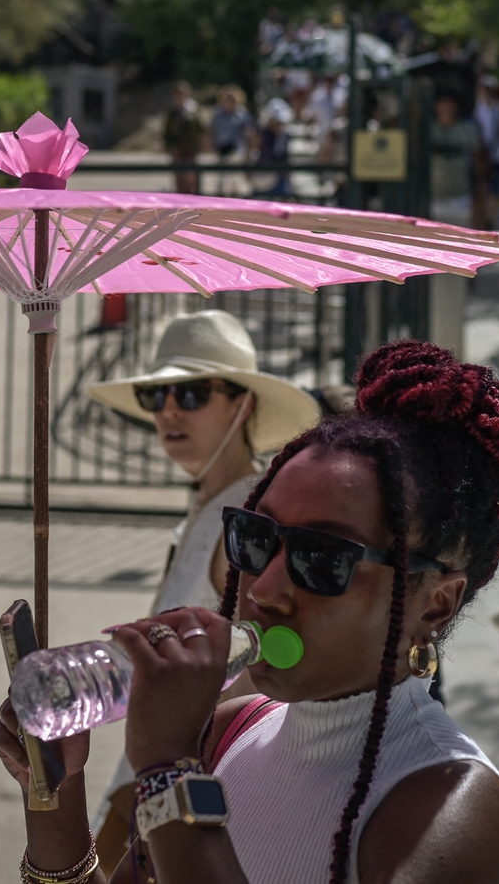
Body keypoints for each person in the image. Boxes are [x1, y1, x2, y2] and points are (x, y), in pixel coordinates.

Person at [0, 341, 499, 884]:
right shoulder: (229, 729)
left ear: (436, 603)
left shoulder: (453, 806)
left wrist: (168, 770)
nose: (267, 587)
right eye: (256, 539)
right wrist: (57, 798)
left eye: (322, 557)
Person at [83, 311, 323, 872]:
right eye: (157, 394)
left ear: (242, 403)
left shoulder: (246, 519)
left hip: (186, 773)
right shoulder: (215, 505)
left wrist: (159, 768)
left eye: (191, 393)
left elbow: (252, 663)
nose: (169, 410)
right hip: (159, 764)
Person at [428, 93, 482, 228]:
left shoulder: (466, 129)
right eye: (444, 103)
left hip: (461, 195)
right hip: (434, 196)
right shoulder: (429, 129)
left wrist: (480, 189)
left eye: (451, 104)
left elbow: (477, 160)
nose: (448, 108)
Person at [473, 77, 499, 228]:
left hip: (496, 154)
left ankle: (489, 219)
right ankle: (479, 220)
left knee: (495, 189)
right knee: (480, 188)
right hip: (479, 154)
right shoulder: (475, 108)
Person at [163, 83, 204, 196]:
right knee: (179, 177)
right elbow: (168, 133)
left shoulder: (194, 110)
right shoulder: (172, 113)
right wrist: (170, 147)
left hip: (191, 149)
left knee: (191, 177)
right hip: (178, 149)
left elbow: (201, 130)